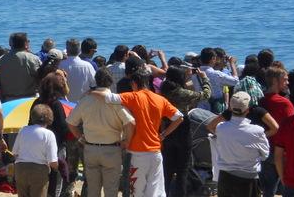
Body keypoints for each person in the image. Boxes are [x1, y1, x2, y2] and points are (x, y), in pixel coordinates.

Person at [97, 69, 184, 197]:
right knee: (155, 191)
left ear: (134, 84)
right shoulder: (160, 99)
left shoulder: (133, 97)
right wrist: (164, 134)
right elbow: (179, 117)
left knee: (137, 191)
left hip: (137, 151)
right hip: (155, 151)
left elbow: (108, 98)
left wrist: (92, 91)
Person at [68, 67, 135, 197]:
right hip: (112, 149)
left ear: (96, 81)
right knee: (111, 190)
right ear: (110, 82)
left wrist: (80, 137)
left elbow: (71, 122)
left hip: (90, 148)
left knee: (93, 190)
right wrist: (127, 141)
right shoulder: (115, 101)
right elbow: (130, 122)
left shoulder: (85, 100)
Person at [159, 66, 211, 197]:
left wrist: (186, 77)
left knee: (167, 169)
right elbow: (205, 94)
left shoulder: (162, 90)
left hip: (167, 128)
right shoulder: (182, 93)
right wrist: (204, 79)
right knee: (183, 170)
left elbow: (178, 83)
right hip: (182, 129)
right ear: (180, 78)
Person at [206, 92, 269, 197]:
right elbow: (265, 155)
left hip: (225, 178)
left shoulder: (221, 128)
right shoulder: (257, 131)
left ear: (230, 108)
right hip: (248, 179)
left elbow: (210, 126)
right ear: (248, 110)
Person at [259, 66, 294, 197]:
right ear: (275, 81)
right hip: (282, 151)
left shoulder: (260, 100)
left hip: (263, 149)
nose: (287, 82)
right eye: (285, 80)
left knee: (268, 190)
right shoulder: (284, 103)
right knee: (288, 188)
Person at [13, 104, 59, 197]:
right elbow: (53, 161)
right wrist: (59, 168)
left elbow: (15, 153)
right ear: (49, 118)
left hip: (20, 168)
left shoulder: (23, 130)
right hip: (39, 170)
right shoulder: (49, 134)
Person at [0, 33, 40, 102]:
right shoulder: (33, 59)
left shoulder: (1, 60)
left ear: (11, 44)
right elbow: (41, 79)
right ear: (25, 44)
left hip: (8, 100)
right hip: (30, 100)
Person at [198, 47, 239, 113]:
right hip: (216, 109)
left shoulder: (195, 73)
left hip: (200, 108)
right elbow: (235, 81)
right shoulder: (216, 74)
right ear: (213, 59)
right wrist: (232, 63)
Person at [58, 39, 96, 103]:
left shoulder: (60, 65)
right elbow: (94, 84)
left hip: (64, 103)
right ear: (79, 50)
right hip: (83, 103)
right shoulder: (87, 66)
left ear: (67, 50)